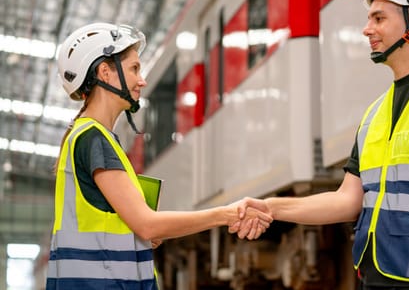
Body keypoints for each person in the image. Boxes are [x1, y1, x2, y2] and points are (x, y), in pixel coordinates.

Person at [231, 0, 409, 289]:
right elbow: (347, 200)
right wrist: (271, 208)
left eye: (379, 18)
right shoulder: (375, 113)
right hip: (376, 278)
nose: (367, 29)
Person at [46, 22, 272, 289]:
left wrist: (135, 235)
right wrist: (228, 214)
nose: (142, 80)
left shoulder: (91, 137)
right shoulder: (94, 140)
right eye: (134, 69)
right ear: (105, 73)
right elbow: (147, 225)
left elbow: (124, 226)